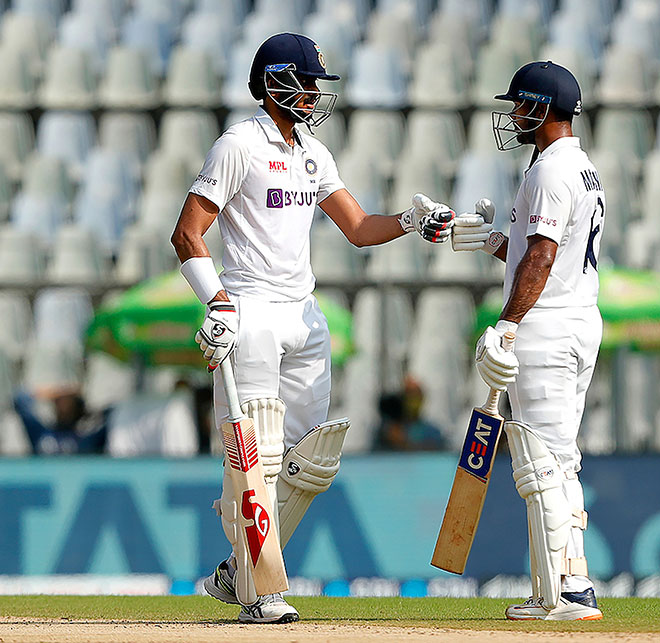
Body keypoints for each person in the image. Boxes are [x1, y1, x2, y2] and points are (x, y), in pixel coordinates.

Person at [170, 33, 454, 624]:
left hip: (304, 312)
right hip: (250, 309)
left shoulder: (313, 153)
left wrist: (410, 220)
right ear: (275, 83)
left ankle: (239, 569)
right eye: (306, 84)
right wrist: (217, 302)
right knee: (256, 454)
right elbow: (187, 232)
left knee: (308, 462)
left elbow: (359, 228)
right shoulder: (239, 144)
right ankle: (260, 593)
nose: (314, 95)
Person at [450, 61, 605, 621]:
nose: (513, 114)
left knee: (541, 462)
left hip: (547, 329)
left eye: (520, 105)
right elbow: (540, 253)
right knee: (560, 459)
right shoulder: (581, 168)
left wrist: (509, 323)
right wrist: (495, 241)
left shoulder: (550, 172)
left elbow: (542, 257)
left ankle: (564, 593)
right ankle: (569, 581)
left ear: (542, 108)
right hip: (576, 320)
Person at [13, 388, 108, 455]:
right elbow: (20, 398)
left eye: (68, 401)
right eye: (59, 401)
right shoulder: (42, 434)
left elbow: (109, 413)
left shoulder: (86, 439)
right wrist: (52, 393)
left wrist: (78, 392)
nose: (64, 405)